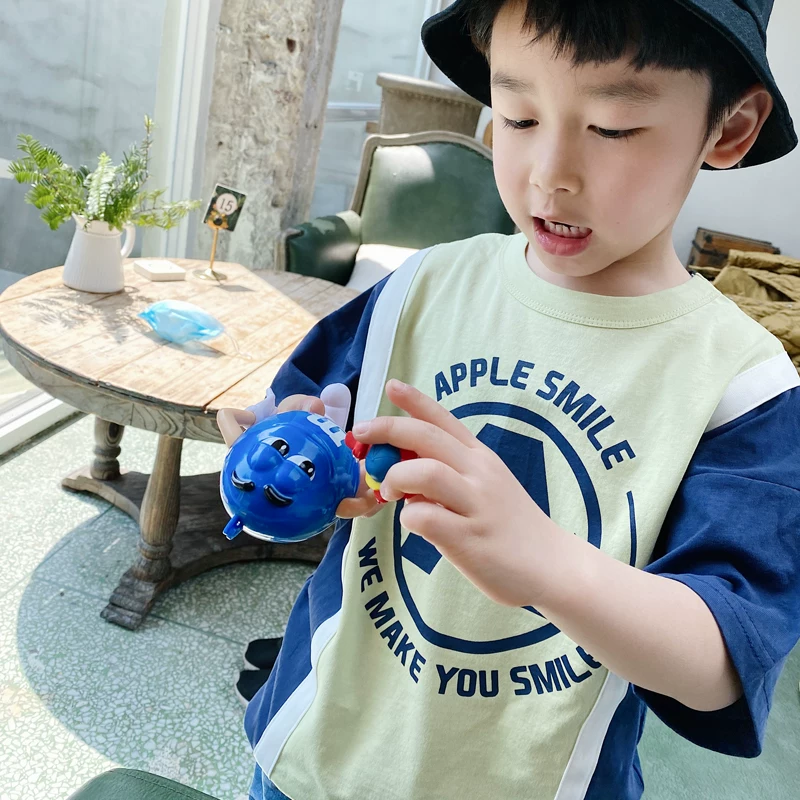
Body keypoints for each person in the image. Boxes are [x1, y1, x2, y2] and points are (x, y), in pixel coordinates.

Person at [226, 1, 800, 798]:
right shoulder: (424, 286)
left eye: (612, 128)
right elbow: (310, 417)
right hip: (318, 751)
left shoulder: (741, 386)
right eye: (520, 116)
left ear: (728, 129)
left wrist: (547, 563)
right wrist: (294, 447)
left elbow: (721, 662)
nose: (550, 173)